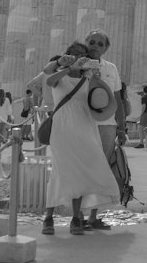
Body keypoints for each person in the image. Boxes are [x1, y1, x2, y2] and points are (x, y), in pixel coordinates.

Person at [40, 42, 118, 236]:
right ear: (67, 55)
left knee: (83, 171)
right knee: (61, 171)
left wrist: (95, 76)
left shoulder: (88, 76)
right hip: (63, 127)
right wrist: (68, 68)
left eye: (82, 54)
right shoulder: (60, 74)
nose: (78, 57)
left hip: (85, 126)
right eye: (74, 54)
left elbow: (100, 97)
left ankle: (77, 218)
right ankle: (48, 217)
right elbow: (50, 82)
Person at [81, 31, 125, 230]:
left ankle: (93, 216)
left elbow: (117, 99)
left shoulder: (111, 68)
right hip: (82, 122)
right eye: (91, 42)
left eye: (100, 43)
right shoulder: (77, 66)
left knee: (102, 169)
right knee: (81, 167)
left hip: (107, 124)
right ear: (86, 43)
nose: (95, 46)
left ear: (106, 48)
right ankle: (77, 215)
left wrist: (122, 127)